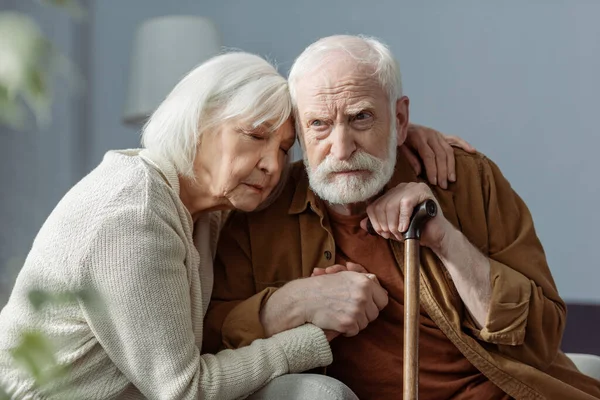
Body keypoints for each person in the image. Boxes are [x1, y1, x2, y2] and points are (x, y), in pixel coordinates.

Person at [0, 51, 467, 399]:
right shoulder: (133, 214)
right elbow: (183, 391)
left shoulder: (211, 206)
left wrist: (400, 139)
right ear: (199, 123)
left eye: (284, 148)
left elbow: (333, 141)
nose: (270, 164)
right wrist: (311, 336)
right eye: (255, 136)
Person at [204, 35, 600, 400]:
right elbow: (210, 341)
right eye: (319, 124)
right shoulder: (260, 211)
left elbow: (542, 335)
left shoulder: (463, 178)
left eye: (361, 118)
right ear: (299, 131)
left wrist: (445, 239)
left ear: (400, 120)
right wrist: (295, 302)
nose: (341, 149)